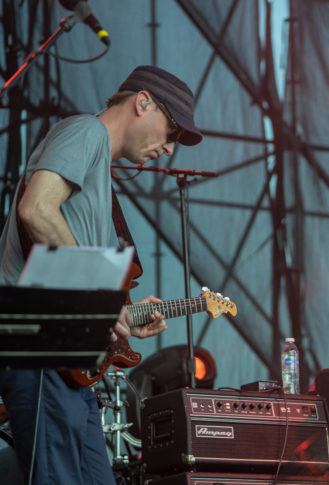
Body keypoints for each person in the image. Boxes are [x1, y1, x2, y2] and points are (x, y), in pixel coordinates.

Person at [0, 65, 203, 484]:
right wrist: (99, 298)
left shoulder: (101, 187)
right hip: (41, 351)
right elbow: (35, 209)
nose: (169, 149)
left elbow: (78, 277)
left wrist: (123, 317)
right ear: (143, 103)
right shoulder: (85, 131)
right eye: (171, 132)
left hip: (71, 364)